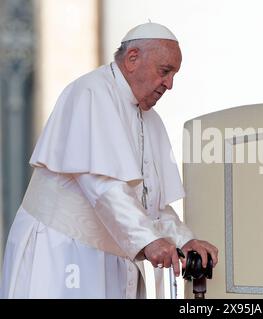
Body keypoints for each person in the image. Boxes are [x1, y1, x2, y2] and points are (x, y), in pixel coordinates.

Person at [0, 21, 218, 299]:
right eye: (165, 72)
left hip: (111, 257)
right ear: (132, 59)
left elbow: (151, 203)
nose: (170, 84)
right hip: (63, 252)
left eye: (174, 75)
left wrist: (184, 240)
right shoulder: (90, 93)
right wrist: (149, 240)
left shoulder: (148, 119)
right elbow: (103, 186)